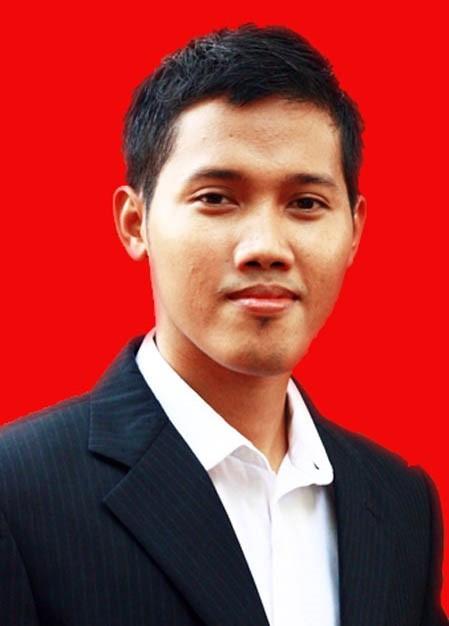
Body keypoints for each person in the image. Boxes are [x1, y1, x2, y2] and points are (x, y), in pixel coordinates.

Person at [0, 24, 446, 626]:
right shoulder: (17, 492)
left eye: (306, 203)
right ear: (135, 222)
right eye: (216, 197)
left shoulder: (399, 505)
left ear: (354, 231)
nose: (266, 248)